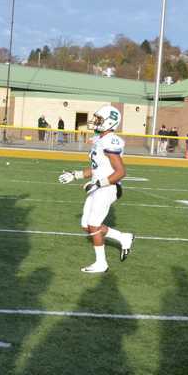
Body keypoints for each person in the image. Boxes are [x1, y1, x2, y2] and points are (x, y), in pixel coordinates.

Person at [57, 105, 134, 273]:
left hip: (108, 187)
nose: (96, 122)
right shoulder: (100, 139)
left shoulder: (110, 141)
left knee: (93, 225)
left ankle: (101, 263)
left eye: (99, 119)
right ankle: (123, 237)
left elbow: (121, 172)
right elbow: (97, 168)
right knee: (86, 225)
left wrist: (98, 184)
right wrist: (75, 175)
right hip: (98, 186)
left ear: (110, 122)